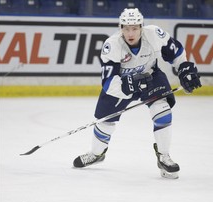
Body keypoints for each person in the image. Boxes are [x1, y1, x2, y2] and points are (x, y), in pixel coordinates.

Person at [73, 8, 201, 179]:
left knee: (162, 109)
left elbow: (176, 52)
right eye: (126, 28)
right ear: (121, 28)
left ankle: (164, 156)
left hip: (151, 77)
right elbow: (108, 82)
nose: (130, 33)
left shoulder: (154, 34)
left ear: (141, 27)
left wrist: (184, 67)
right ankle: (96, 154)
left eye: (134, 28)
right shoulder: (112, 45)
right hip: (122, 82)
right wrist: (127, 86)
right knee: (105, 123)